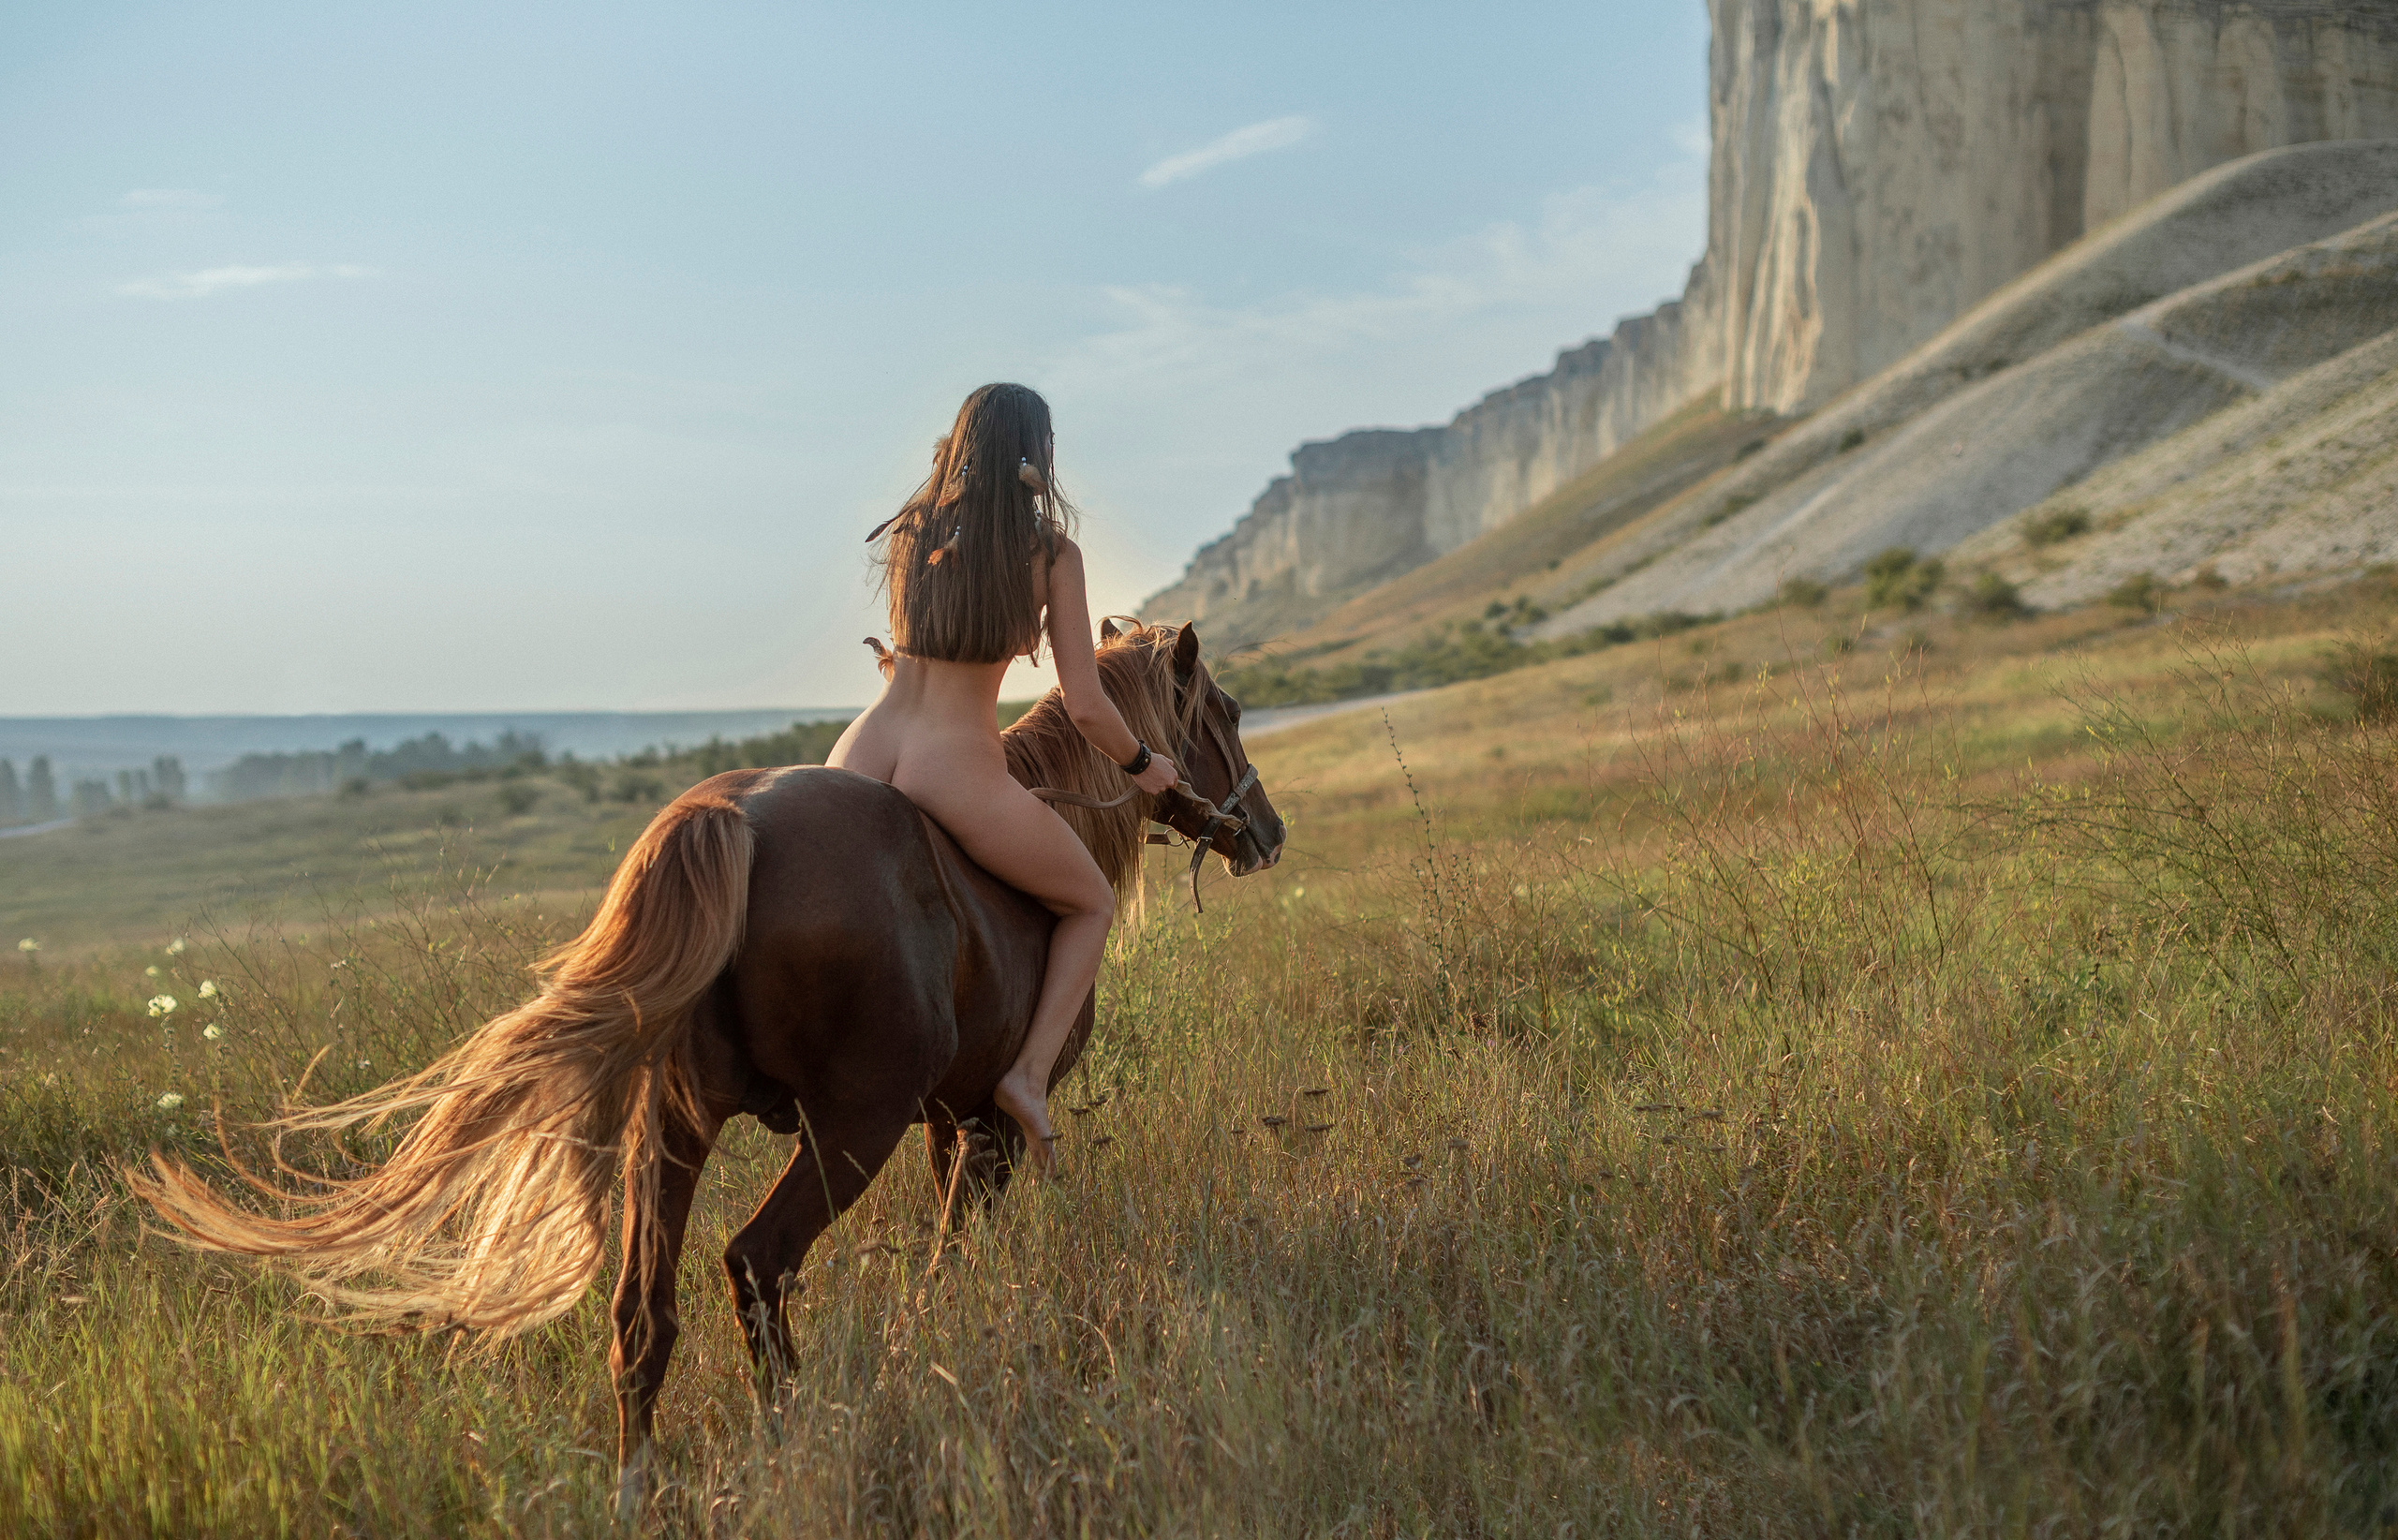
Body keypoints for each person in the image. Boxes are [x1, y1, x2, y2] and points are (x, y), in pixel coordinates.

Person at [828, 382, 1179, 1173]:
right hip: (951, 763)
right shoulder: (1049, 553)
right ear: (1036, 453)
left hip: (861, 748)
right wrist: (1143, 763)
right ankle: (1025, 1080)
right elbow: (1084, 705)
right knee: (1090, 903)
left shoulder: (913, 533)